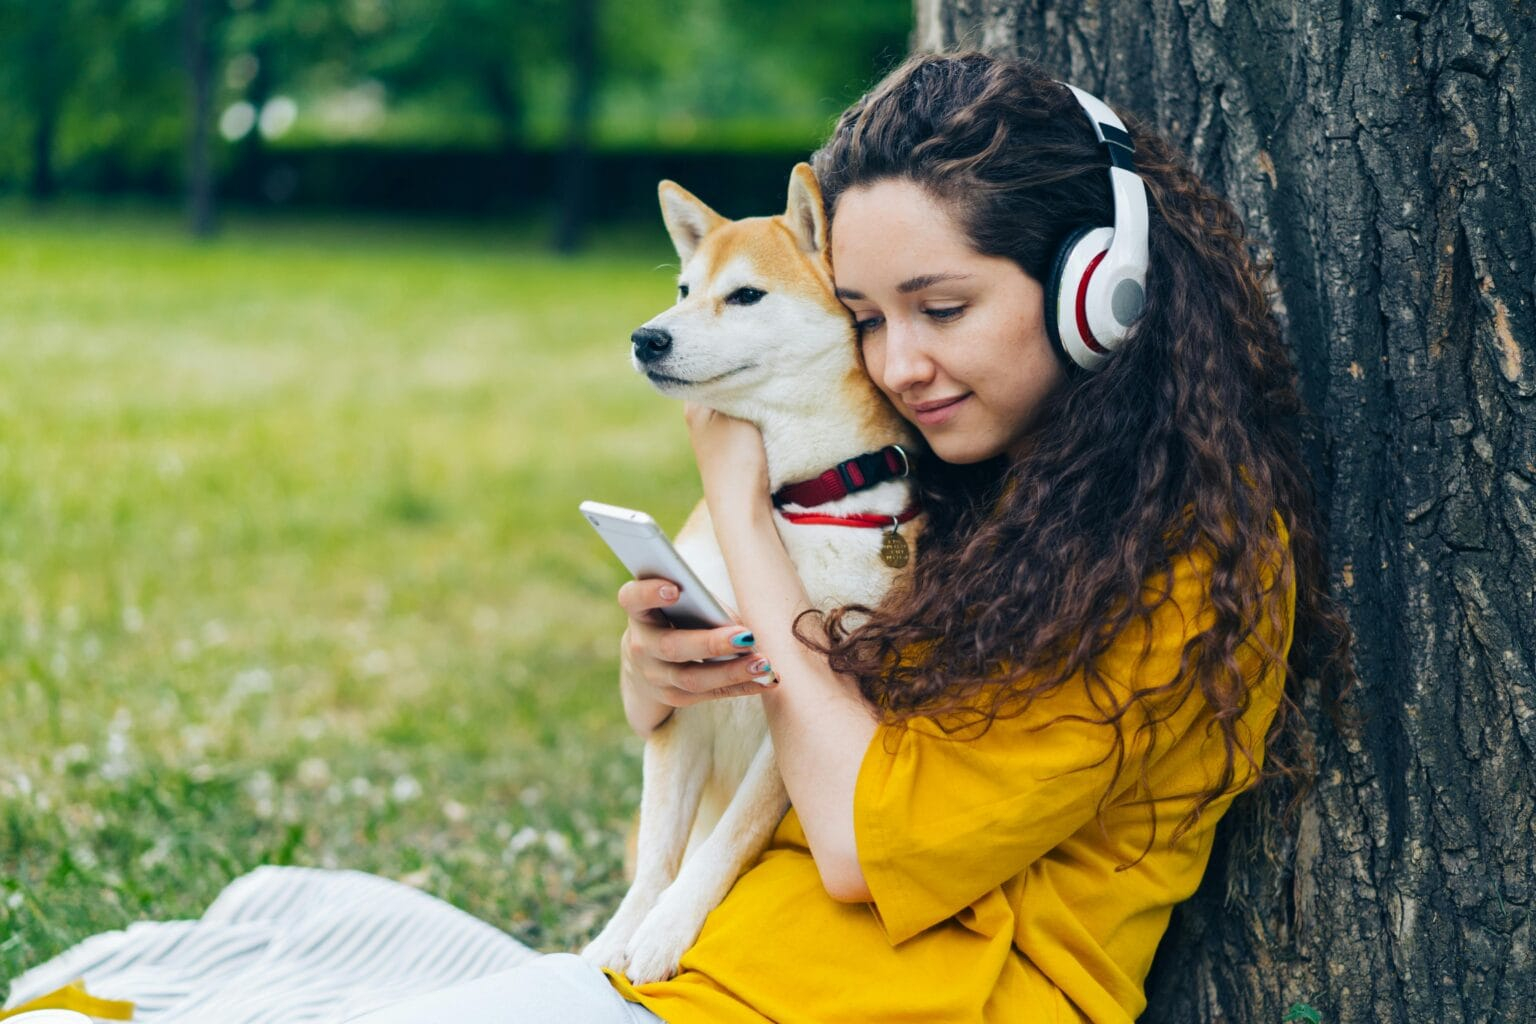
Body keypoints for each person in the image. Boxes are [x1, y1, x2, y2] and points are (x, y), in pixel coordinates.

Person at [347, 49, 1353, 1024]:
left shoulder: (1179, 554)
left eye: (944, 308)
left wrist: (741, 515)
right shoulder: (958, 482)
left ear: (1097, 290)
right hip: (708, 969)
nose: (900, 363)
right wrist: (661, 679)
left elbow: (864, 845)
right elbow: (791, 720)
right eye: (866, 317)